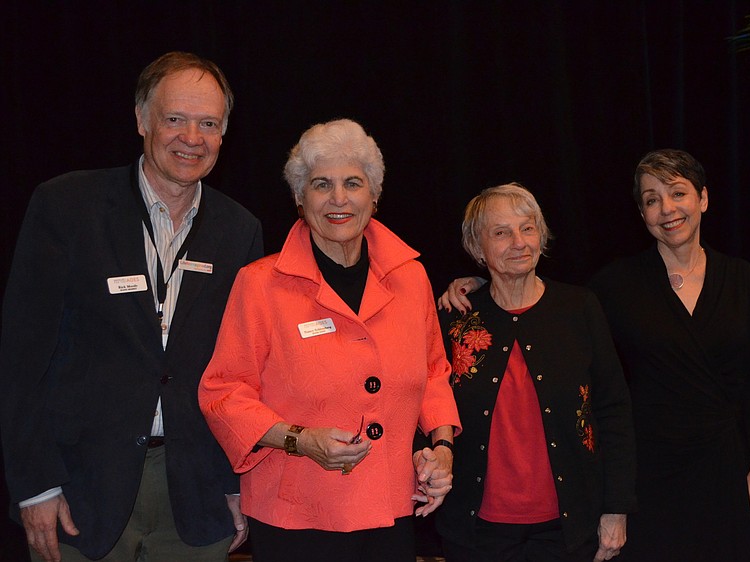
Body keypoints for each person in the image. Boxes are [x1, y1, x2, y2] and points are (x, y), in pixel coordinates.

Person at [442, 151, 750, 562]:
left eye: (678, 193)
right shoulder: (613, 286)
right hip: (649, 472)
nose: (667, 209)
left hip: (722, 463)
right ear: (642, 212)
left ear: (703, 199)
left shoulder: (741, 278)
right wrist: (477, 284)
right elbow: (538, 309)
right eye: (652, 199)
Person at [0, 52, 263, 562]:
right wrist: (34, 484)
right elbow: (20, 359)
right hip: (79, 492)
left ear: (224, 133)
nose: (192, 137)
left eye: (208, 123)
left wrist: (237, 483)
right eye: (176, 119)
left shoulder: (240, 230)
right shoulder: (66, 206)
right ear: (142, 120)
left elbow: (243, 370)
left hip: (195, 495)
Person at [198, 118, 461, 562]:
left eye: (353, 183)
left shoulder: (410, 277)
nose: (338, 199)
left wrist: (442, 448)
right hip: (296, 516)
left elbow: (435, 371)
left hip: (391, 508)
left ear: (374, 196)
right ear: (300, 200)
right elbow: (223, 392)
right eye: (321, 185)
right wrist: (300, 439)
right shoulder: (259, 285)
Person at [435, 183, 636, 562]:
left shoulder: (579, 307)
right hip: (477, 530)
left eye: (528, 228)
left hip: (567, 528)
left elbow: (614, 412)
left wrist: (616, 509)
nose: (519, 242)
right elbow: (427, 405)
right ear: (477, 248)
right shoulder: (456, 317)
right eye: (501, 232)